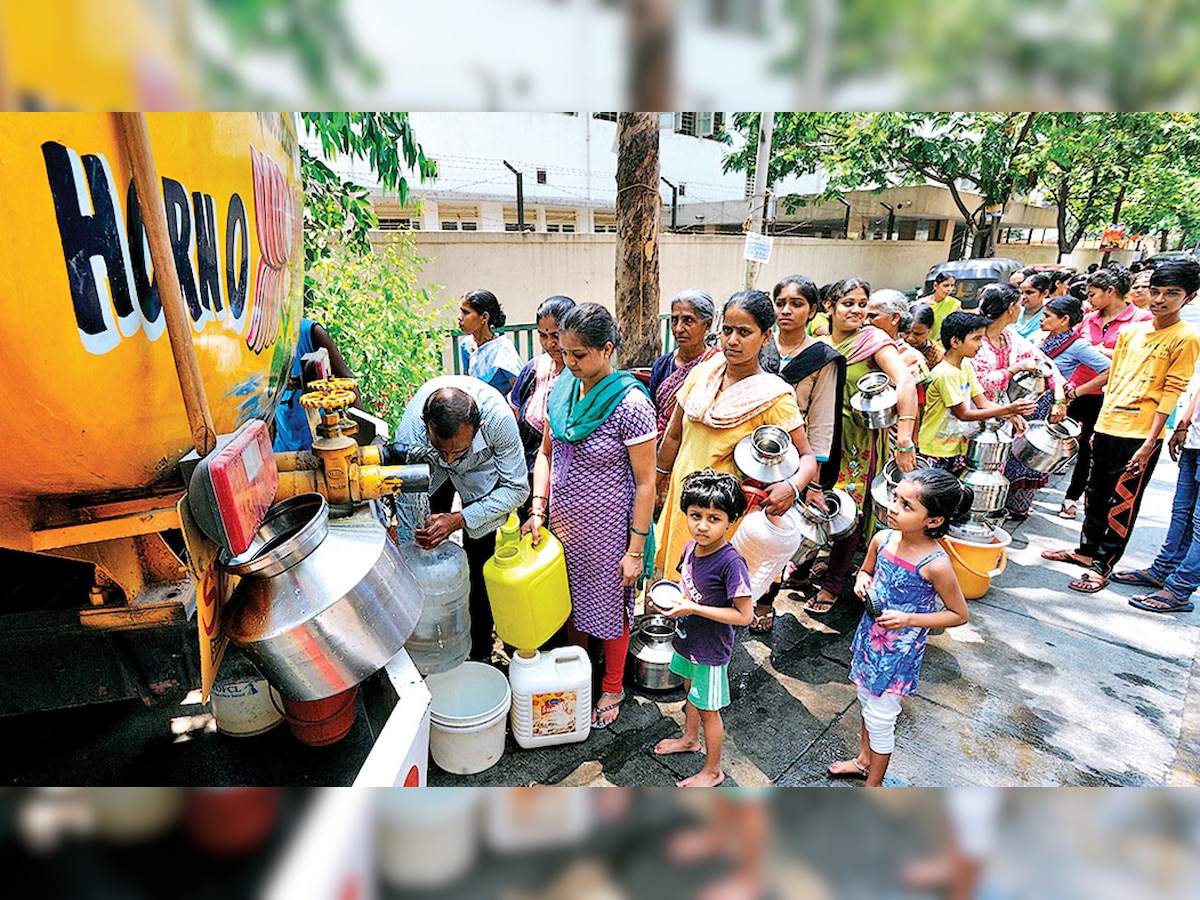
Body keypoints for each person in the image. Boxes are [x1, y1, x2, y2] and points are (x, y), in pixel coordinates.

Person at [524, 303, 657, 729]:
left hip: (609, 533)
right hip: (562, 525)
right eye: (564, 352)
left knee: (610, 609)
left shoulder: (631, 404)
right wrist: (538, 507)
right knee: (569, 605)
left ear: (606, 349)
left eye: (580, 355)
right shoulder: (561, 389)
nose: (570, 362)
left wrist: (635, 550)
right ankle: (577, 672)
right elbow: (546, 455)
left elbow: (645, 484)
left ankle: (612, 686)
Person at [1042, 258, 1200, 593]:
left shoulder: (1185, 338)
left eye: (1171, 293)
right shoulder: (1132, 331)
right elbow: (1114, 379)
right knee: (1094, 492)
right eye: (1155, 292)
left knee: (1122, 501)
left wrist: (1150, 441)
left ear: (1190, 296)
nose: (1159, 300)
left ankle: (1102, 565)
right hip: (1107, 423)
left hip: (1141, 433)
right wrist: (1099, 423)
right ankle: (1085, 552)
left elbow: (1172, 390)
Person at [655, 291, 819, 586]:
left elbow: (807, 457)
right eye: (727, 330)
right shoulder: (701, 375)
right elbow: (674, 435)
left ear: (766, 336)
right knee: (671, 583)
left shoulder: (773, 396)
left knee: (710, 594)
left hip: (725, 515)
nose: (732, 340)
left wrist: (792, 487)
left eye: (744, 332)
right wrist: (656, 482)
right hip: (683, 502)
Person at [827, 468, 971, 786]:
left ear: (934, 521)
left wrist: (909, 619)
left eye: (907, 505)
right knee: (866, 700)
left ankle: (873, 785)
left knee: (881, 717)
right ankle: (864, 761)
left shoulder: (936, 564)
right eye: (896, 498)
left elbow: (958, 614)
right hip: (870, 639)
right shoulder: (883, 539)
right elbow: (865, 572)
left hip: (898, 654)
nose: (893, 507)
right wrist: (863, 581)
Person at [393, 376, 529, 661]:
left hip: (481, 474)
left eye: (459, 450)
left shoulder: (498, 420)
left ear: (478, 429)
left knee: (480, 563)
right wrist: (415, 559)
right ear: (426, 425)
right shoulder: (410, 435)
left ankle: (480, 650)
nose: (451, 459)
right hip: (429, 474)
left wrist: (461, 518)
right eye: (444, 450)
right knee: (423, 546)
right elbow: (407, 503)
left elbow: (517, 489)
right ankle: (431, 642)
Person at [806, 278, 918, 616]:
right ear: (829, 306)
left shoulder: (873, 341)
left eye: (861, 303)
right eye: (847, 303)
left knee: (847, 508)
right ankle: (808, 562)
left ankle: (834, 582)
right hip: (821, 435)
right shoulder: (819, 344)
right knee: (814, 499)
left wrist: (904, 436)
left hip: (858, 439)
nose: (857, 310)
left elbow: (906, 381)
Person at [753, 274, 845, 630]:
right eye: (780, 303)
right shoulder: (759, 345)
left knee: (776, 533)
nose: (786, 311)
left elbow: (821, 423)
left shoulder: (822, 358)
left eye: (796, 304)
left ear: (813, 309)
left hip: (793, 459)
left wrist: (814, 483)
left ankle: (764, 599)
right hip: (750, 451)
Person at [652, 470, 753, 787]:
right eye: (696, 515)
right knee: (689, 692)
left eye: (714, 518)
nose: (703, 525)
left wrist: (693, 608)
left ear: (730, 521)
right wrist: (672, 603)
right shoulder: (690, 548)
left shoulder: (731, 563)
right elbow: (686, 589)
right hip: (687, 640)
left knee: (710, 710)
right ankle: (689, 739)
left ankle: (713, 770)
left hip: (710, 651)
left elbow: (744, 616)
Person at [1058, 265, 1151, 519]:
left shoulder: (1141, 320)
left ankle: (1072, 498)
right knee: (1064, 440)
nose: (1088, 300)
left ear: (1110, 291)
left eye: (1092, 294)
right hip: (1076, 390)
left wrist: (1098, 351)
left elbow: (1136, 357)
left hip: (1109, 397)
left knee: (1090, 451)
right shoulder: (1089, 318)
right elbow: (1073, 347)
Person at [1110, 384, 1200, 614]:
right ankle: (1162, 571)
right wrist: (1183, 424)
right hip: (1195, 441)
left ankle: (1179, 590)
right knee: (1182, 513)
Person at [1028, 296, 1112, 520]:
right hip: (1032, 401)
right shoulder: (1045, 338)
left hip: (1049, 403)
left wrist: (1075, 392)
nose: (1042, 319)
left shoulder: (1077, 345)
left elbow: (1109, 370)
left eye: (1047, 316)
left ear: (1064, 320)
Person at [919, 312, 1034, 470]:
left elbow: (982, 402)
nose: (980, 344)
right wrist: (1008, 409)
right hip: (936, 449)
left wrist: (1012, 415)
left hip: (954, 445)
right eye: (976, 339)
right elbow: (964, 414)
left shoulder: (965, 365)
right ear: (955, 341)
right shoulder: (945, 374)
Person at [509, 295, 576, 477]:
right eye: (542, 335)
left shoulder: (583, 375)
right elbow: (514, 419)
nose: (549, 343)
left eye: (556, 335)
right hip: (528, 476)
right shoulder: (533, 370)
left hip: (569, 480)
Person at [273, 317, 358, 452]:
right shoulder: (260, 342)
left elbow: (347, 379)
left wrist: (360, 436)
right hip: (284, 445)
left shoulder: (312, 332)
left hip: (321, 442)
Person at [648, 289, 719, 444]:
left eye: (688, 321)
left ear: (707, 324)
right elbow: (652, 412)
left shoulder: (718, 365)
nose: (678, 329)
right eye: (674, 320)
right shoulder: (662, 365)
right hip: (661, 445)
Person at [458, 288, 523, 396]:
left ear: (484, 317)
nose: (460, 317)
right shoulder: (466, 346)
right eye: (460, 311)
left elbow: (519, 389)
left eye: (466, 312)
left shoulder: (502, 349)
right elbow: (468, 384)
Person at [919, 272, 959, 346]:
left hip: (944, 345)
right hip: (923, 343)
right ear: (935, 286)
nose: (949, 289)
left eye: (952, 285)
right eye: (946, 285)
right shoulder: (922, 303)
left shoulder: (954, 304)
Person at [904, 302, 943, 372]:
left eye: (917, 334)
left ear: (930, 330)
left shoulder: (938, 356)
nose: (910, 338)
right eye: (907, 332)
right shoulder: (892, 348)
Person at [1014, 271, 1054, 340]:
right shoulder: (1013, 311)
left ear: (1045, 293)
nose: (1023, 297)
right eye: (1021, 293)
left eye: (1029, 293)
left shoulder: (1048, 317)